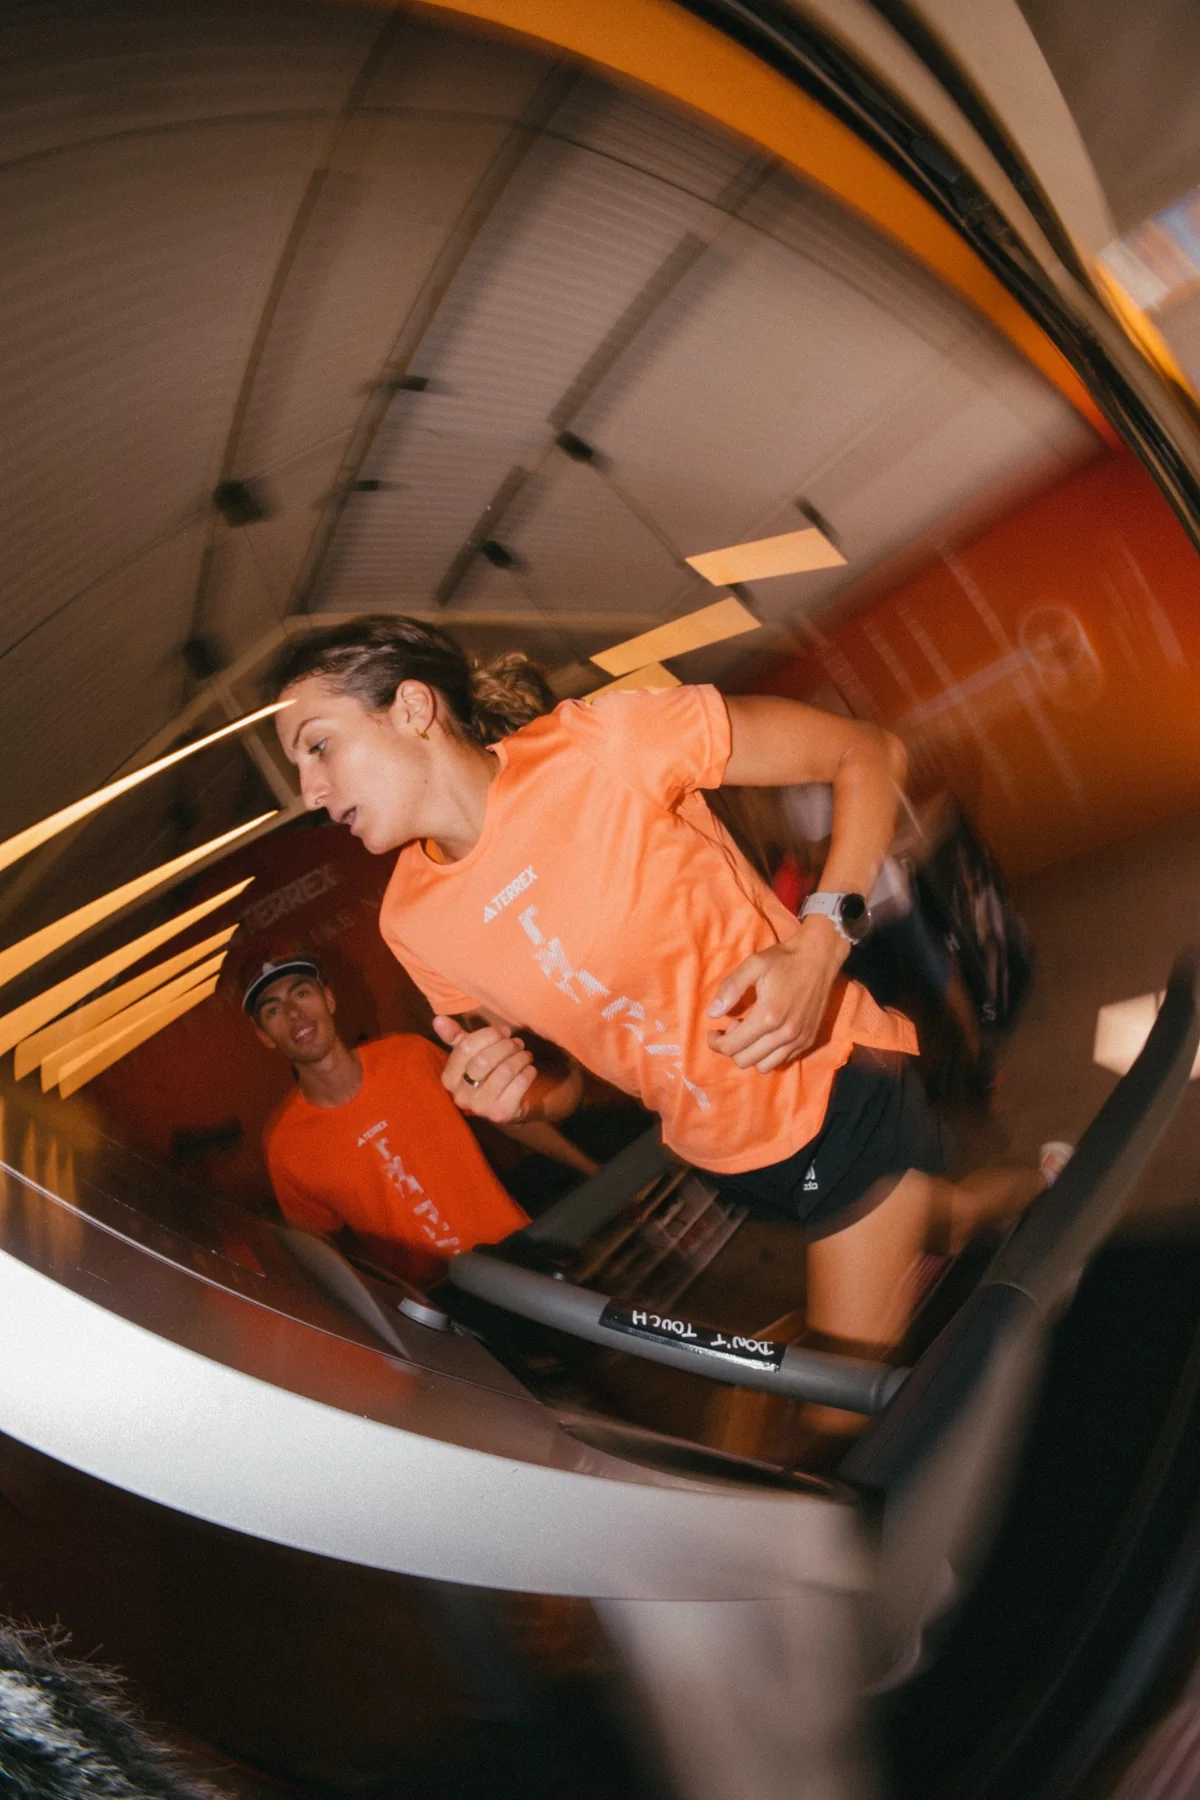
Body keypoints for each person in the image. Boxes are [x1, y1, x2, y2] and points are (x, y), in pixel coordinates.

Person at [263, 617, 1044, 1427]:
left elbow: (869, 754)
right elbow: (565, 1085)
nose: (309, 792)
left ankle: (1017, 1219)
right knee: (942, 1219)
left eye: (318, 747)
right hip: (723, 1156)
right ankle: (1040, 1186)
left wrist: (818, 947)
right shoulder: (411, 924)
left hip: (835, 1090)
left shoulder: (603, 744)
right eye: (297, 766)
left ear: (414, 708)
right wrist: (518, 1098)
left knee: (833, 1423)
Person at [246, 955, 594, 1288]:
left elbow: (503, 1114)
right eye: (273, 1010)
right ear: (263, 1035)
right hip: (442, 1306)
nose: (294, 1014)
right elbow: (321, 1252)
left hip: (520, 1253)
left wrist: (590, 1168)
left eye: (302, 993)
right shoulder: (286, 1145)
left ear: (329, 999)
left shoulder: (410, 1056)